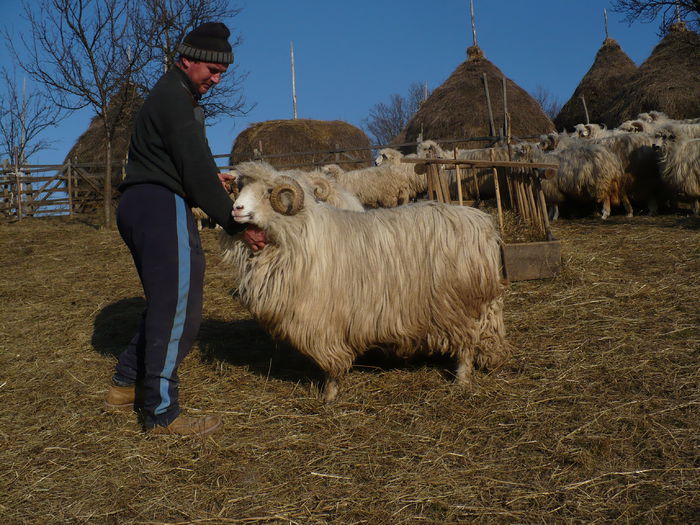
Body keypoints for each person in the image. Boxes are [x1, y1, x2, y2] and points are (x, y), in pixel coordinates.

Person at [104, 22, 264, 436]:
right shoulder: (175, 98)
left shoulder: (173, 94)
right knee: (180, 310)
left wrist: (210, 178)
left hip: (144, 202)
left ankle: (126, 385)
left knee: (168, 303)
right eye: (212, 69)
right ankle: (161, 413)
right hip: (159, 204)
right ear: (187, 58)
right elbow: (191, 169)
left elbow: (183, 161)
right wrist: (234, 223)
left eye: (221, 73)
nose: (216, 78)